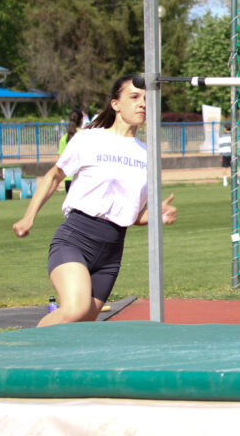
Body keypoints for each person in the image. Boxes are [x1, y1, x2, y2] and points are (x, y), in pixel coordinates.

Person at [13, 74, 177, 327]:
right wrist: (28, 217)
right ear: (115, 104)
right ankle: (22, 346)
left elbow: (133, 216)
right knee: (75, 310)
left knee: (83, 324)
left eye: (146, 99)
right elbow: (54, 177)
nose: (143, 104)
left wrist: (158, 214)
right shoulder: (89, 139)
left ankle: (46, 353)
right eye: (134, 97)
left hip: (111, 253)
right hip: (76, 239)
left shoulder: (148, 155)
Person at [57, 109, 84, 193]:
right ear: (82, 120)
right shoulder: (86, 136)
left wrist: (57, 181)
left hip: (68, 178)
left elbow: (60, 161)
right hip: (83, 177)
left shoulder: (64, 138)